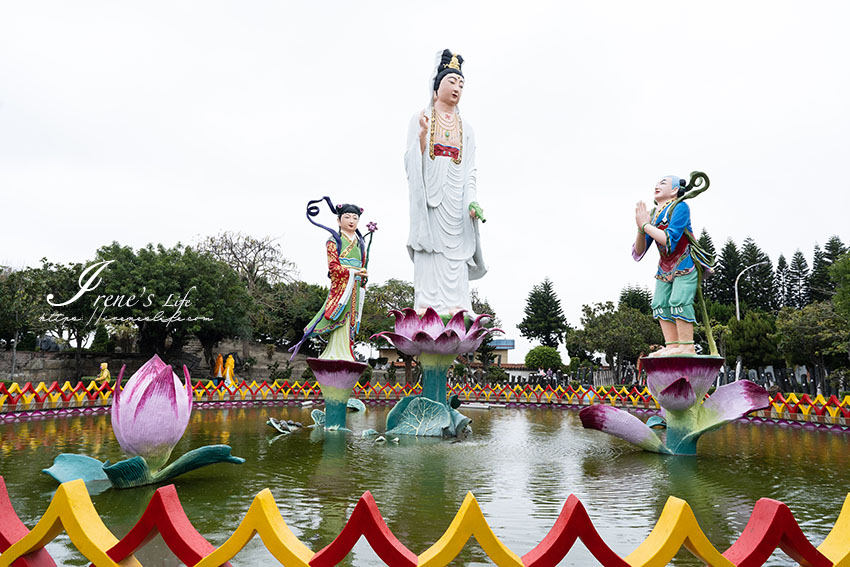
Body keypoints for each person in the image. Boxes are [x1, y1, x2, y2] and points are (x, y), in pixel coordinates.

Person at [405, 49, 486, 316]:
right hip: (431, 198)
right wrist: (422, 138)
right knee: (430, 252)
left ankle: (459, 305)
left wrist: (472, 201)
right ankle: (426, 306)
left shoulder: (468, 129)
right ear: (436, 85)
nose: (457, 88)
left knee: (456, 256)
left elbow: (470, 171)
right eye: (451, 81)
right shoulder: (421, 119)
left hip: (457, 201)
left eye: (461, 84)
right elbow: (411, 163)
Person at [633, 175, 712, 356]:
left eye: (663, 183)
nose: (657, 185)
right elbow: (639, 250)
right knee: (659, 303)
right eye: (657, 182)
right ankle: (672, 345)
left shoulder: (680, 207)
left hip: (684, 261)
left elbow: (670, 240)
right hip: (665, 266)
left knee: (679, 301)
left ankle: (686, 345)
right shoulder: (654, 215)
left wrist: (645, 225)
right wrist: (640, 227)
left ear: (675, 190)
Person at [290, 202, 368, 361]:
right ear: (339, 221)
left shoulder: (361, 243)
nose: (351, 220)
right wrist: (352, 272)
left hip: (356, 284)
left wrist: (363, 276)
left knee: (352, 319)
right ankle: (336, 351)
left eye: (355, 218)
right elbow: (333, 267)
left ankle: (348, 350)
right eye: (347, 217)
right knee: (339, 314)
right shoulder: (334, 240)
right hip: (343, 285)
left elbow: (364, 263)